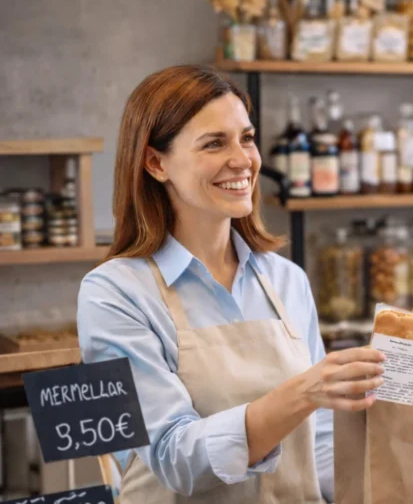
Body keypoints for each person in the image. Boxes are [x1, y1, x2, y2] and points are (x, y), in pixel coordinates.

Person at [77, 65, 385, 503]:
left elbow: (319, 444)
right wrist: (304, 392)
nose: (243, 160)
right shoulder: (114, 294)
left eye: (247, 138)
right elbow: (173, 458)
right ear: (156, 163)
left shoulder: (285, 279)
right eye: (214, 143)